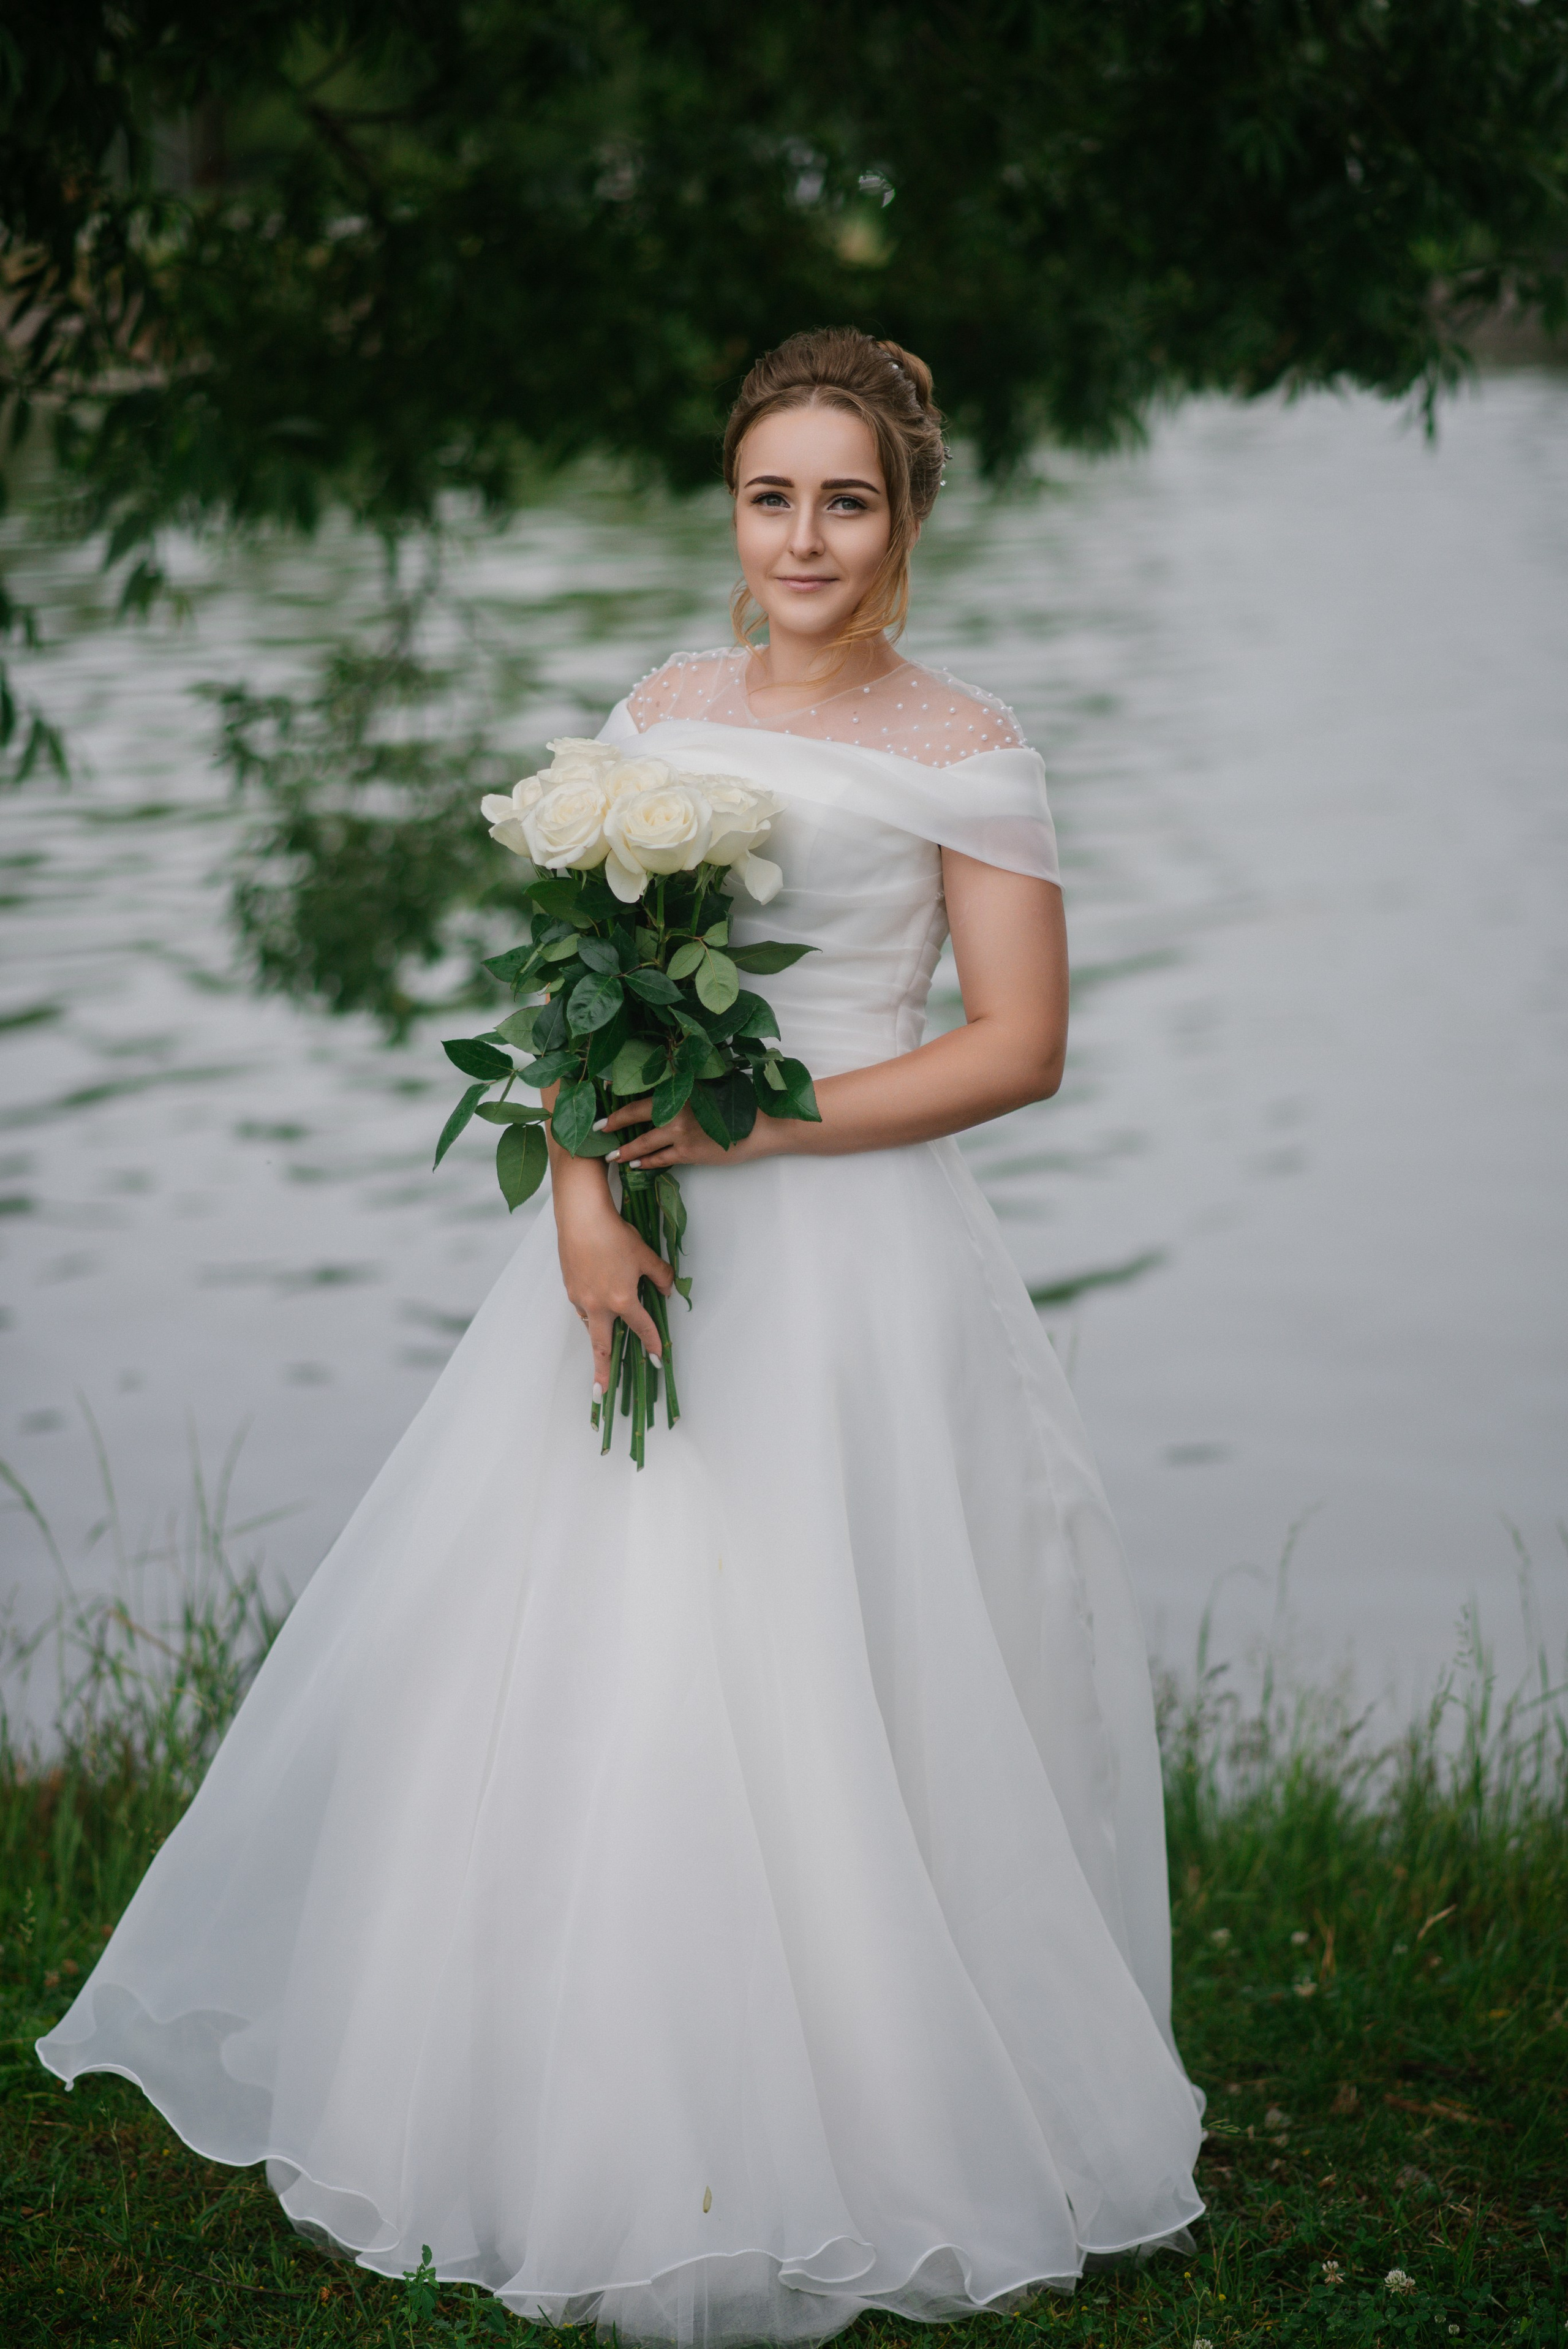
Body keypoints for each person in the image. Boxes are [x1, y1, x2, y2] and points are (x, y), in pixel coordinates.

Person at [38, 327, 1204, 2347]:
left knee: (836, 1637)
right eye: (774, 493)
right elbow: (590, 987)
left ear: (905, 512)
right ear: (733, 506)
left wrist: (768, 1119)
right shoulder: (657, 711)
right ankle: (564, 2089)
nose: (807, 535)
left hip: (849, 1246)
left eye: (849, 496)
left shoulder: (967, 751)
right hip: (638, 1233)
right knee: (607, 1632)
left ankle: (870, 2092)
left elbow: (1017, 1044)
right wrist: (581, 1193)